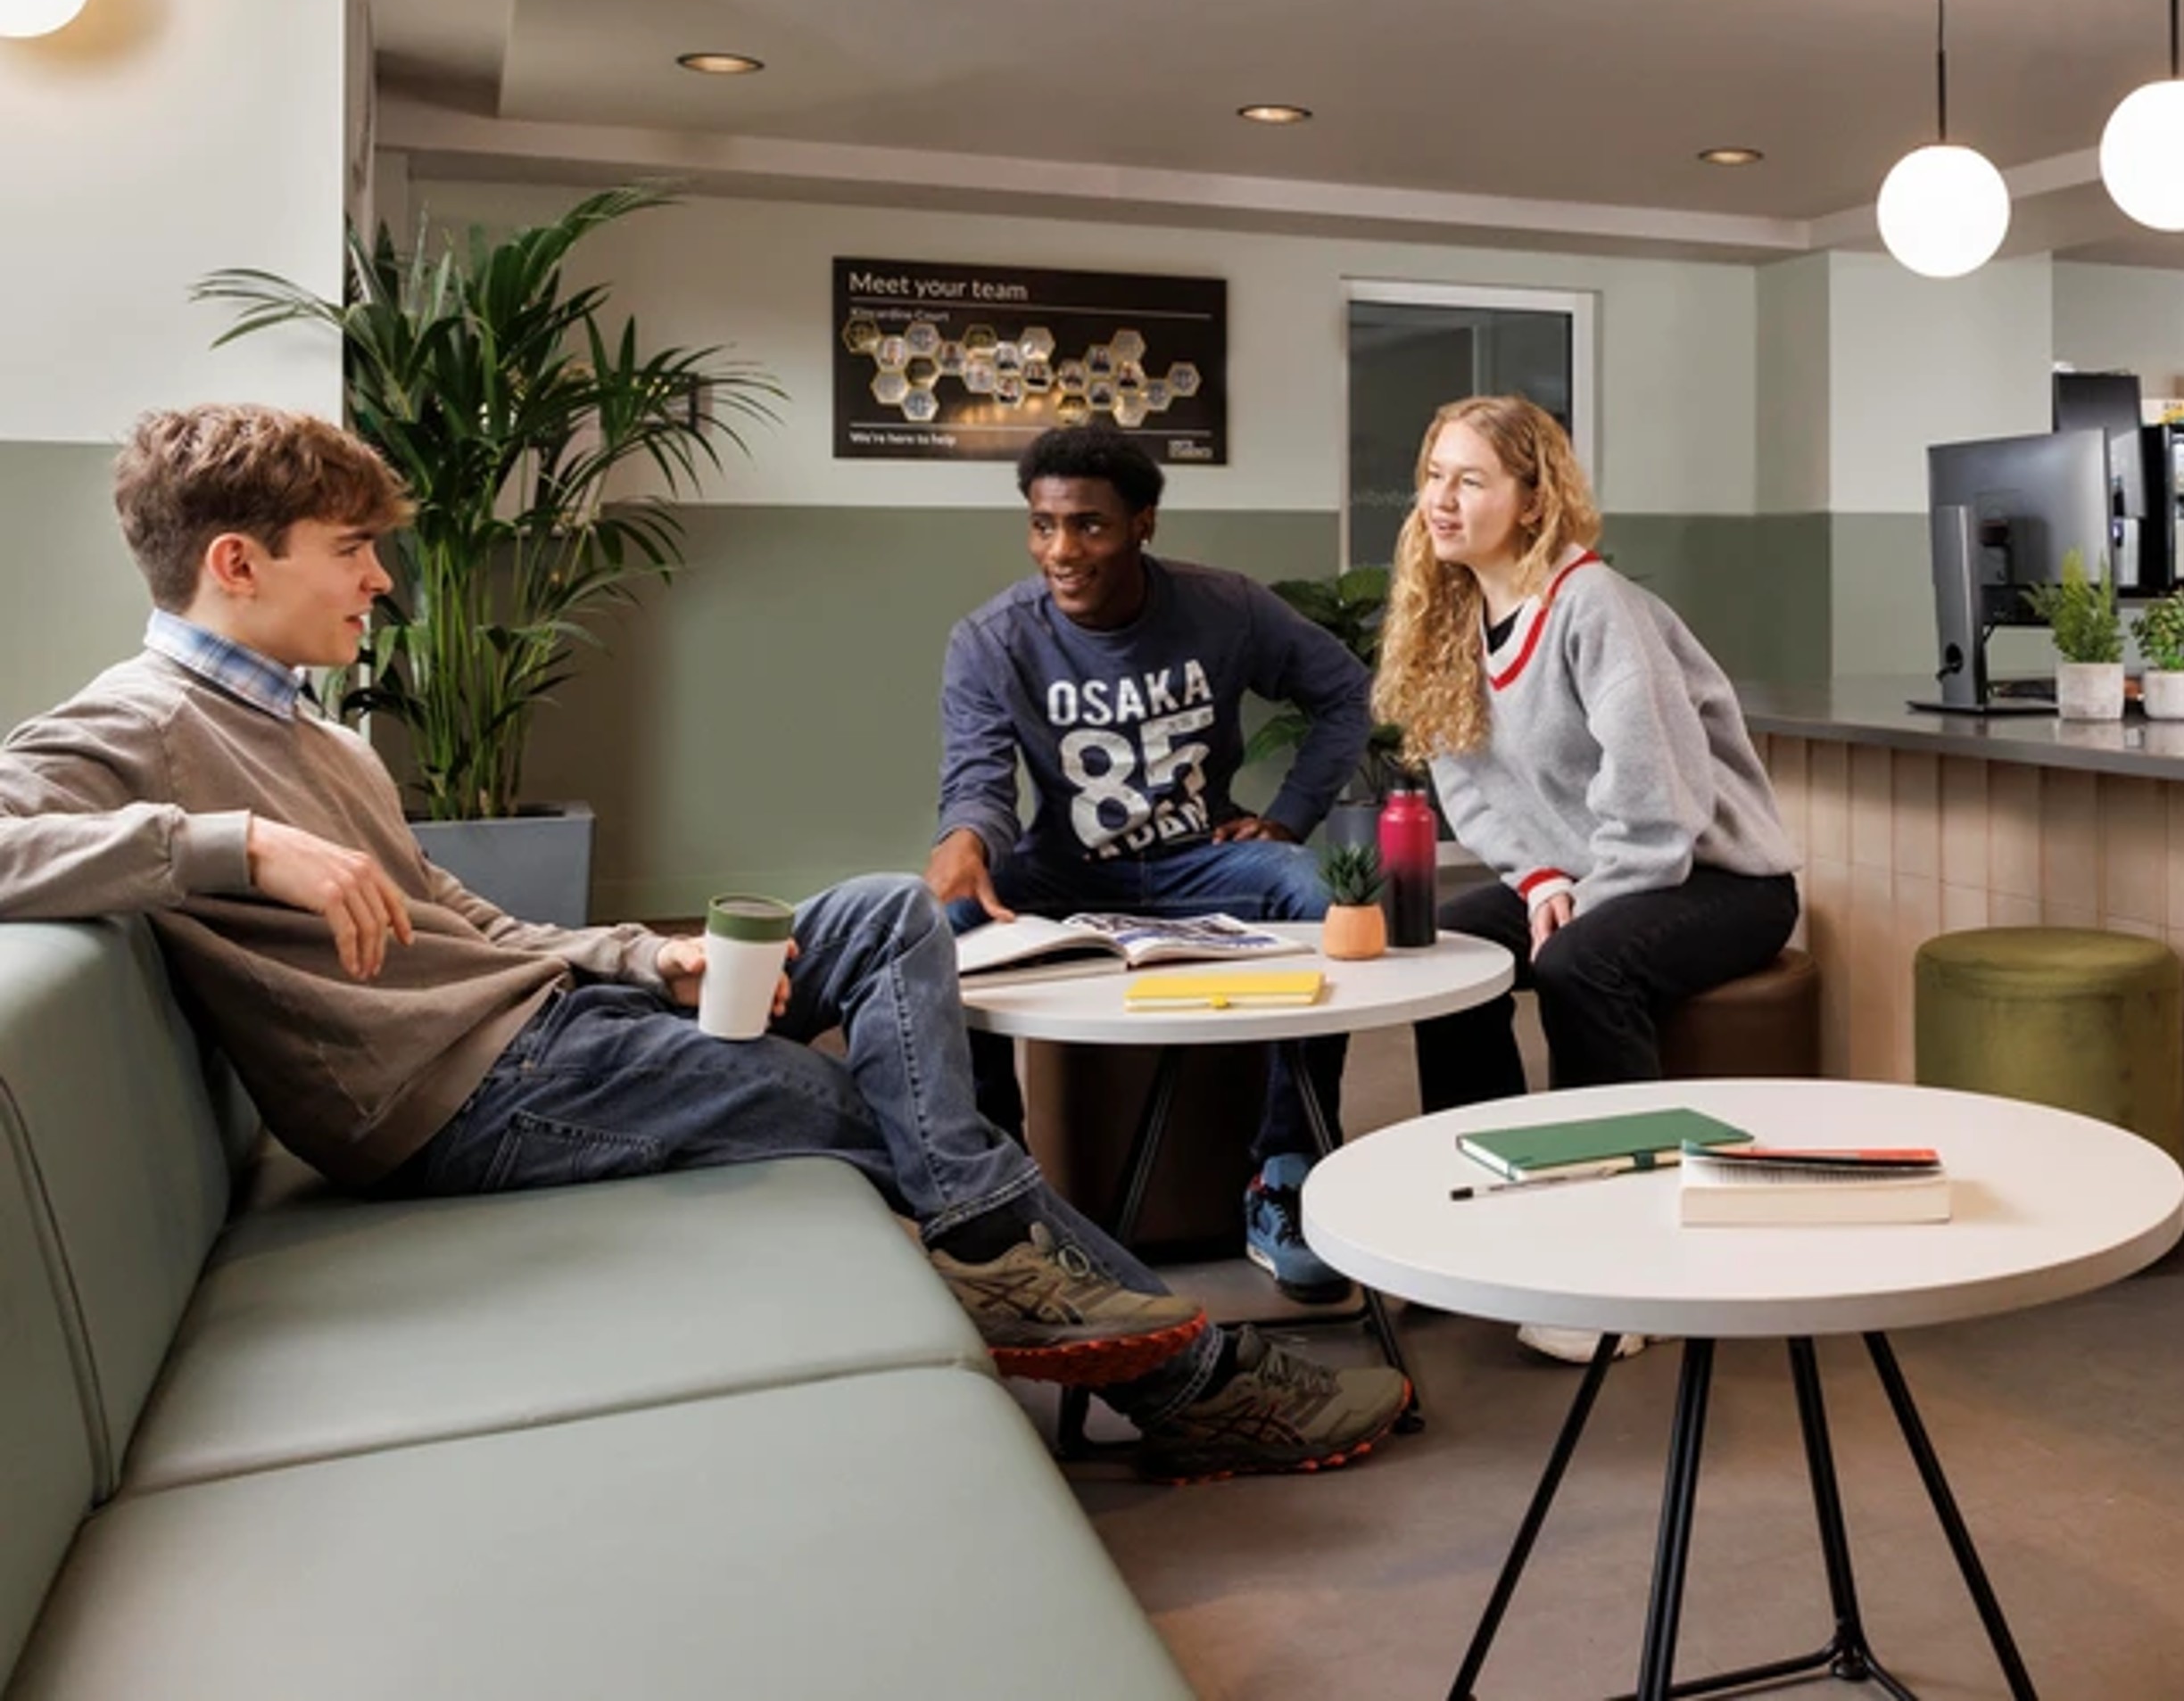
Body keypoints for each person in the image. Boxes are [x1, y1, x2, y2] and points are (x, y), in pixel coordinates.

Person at [0, 404, 1404, 1482]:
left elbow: (472, 922)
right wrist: (231, 845)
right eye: (353, 551)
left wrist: (640, 955)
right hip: (466, 1095)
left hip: (557, 1026)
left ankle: (1001, 1235)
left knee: (877, 908)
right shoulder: (141, 722)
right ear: (237, 563)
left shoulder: (310, 729)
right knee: (866, 1117)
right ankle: (1197, 1380)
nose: (380, 581)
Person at [1370, 395, 1801, 1362]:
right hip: (1593, 873)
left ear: (1532, 499)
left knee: (1582, 968)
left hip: (1717, 877)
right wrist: (1537, 884)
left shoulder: (1595, 604)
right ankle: (1486, 1212)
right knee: (1447, 951)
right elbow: (1477, 799)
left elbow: (1662, 801)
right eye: (1434, 475)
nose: (1441, 499)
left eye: (1471, 478)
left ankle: (1616, 1266)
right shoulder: (1453, 619)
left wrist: (1583, 900)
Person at [927, 425, 1375, 1306]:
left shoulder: (1226, 607)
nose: (1062, 549)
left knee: (1320, 898)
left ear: (1143, 524)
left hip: (1203, 862)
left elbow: (1345, 692)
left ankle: (1285, 1170)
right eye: (1043, 525)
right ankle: (1001, 1190)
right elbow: (979, 779)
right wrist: (967, 835)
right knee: (943, 924)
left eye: (1088, 526)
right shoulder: (992, 639)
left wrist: (1286, 818)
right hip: (1062, 870)